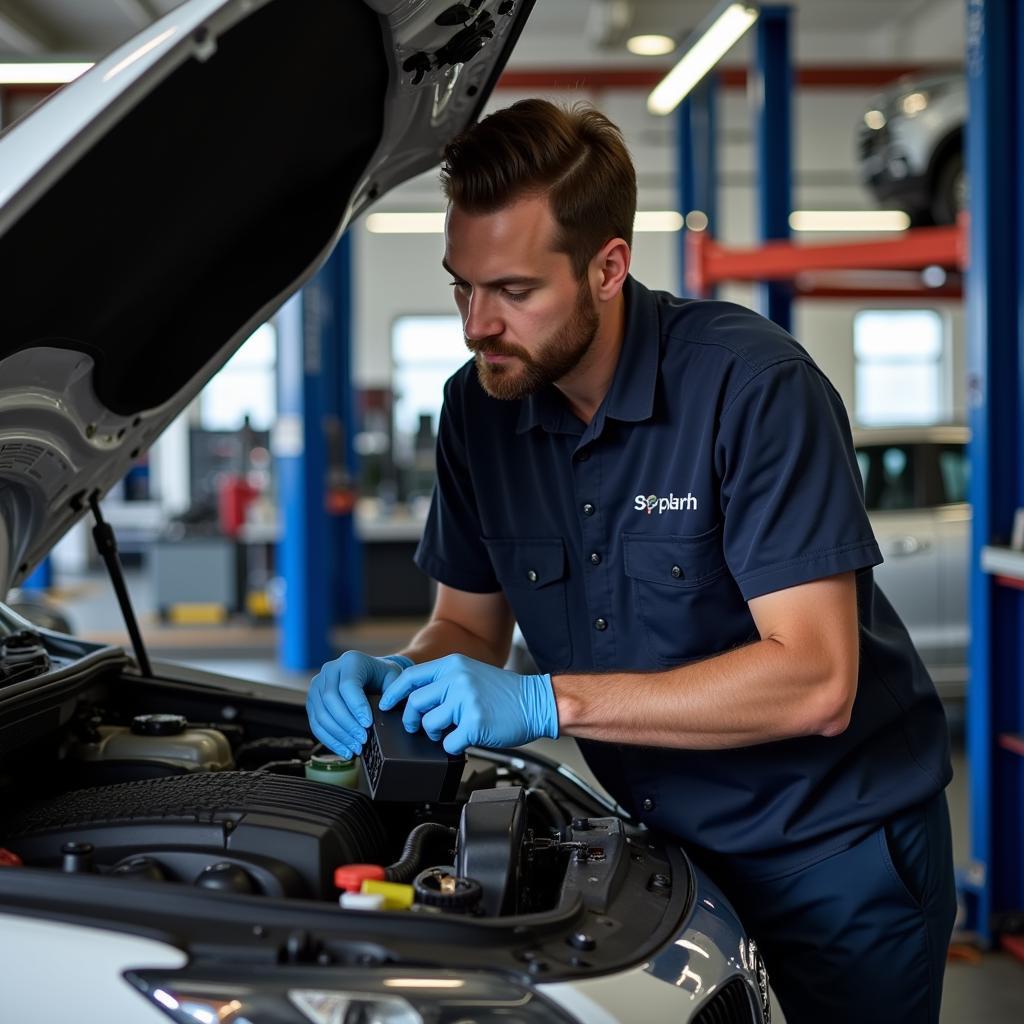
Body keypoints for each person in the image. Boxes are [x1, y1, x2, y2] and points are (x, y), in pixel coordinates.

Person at [307, 99, 956, 1023]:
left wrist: (547, 702)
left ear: (609, 267)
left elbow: (817, 681)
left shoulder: (754, 390)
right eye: (462, 286)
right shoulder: (478, 412)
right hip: (662, 855)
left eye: (515, 292)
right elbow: (466, 625)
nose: (475, 325)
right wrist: (397, 679)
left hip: (834, 860)